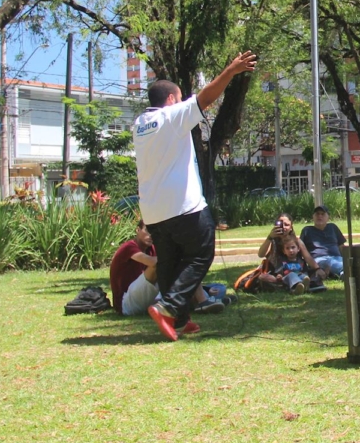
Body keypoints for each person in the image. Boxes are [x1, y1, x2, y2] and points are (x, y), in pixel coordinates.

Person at [133, 50, 257, 341]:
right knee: (201, 254)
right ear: (172, 99)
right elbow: (205, 98)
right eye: (179, 97)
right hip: (183, 206)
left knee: (170, 262)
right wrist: (231, 69)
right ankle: (168, 307)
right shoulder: (172, 116)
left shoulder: (139, 124)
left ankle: (178, 319)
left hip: (153, 211)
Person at [110, 220, 223, 316]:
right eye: (147, 230)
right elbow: (153, 263)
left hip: (146, 295)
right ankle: (204, 300)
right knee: (163, 264)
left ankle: (204, 298)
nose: (151, 235)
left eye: (154, 232)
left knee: (219, 287)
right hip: (126, 303)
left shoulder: (151, 248)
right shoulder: (129, 247)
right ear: (137, 230)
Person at [259, 234, 325, 294]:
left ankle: (303, 286)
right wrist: (279, 276)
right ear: (284, 251)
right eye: (287, 248)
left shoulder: (301, 261)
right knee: (292, 274)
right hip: (286, 279)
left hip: (300, 276)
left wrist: (306, 276)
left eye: (293, 247)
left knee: (304, 276)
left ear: (298, 249)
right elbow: (279, 273)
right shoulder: (282, 261)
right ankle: (297, 287)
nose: (291, 250)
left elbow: (304, 271)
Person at [300, 206, 347, 279]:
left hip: (337, 258)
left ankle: (342, 274)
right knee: (337, 264)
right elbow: (302, 249)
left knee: (344, 263)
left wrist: (345, 258)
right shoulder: (307, 230)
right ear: (313, 217)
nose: (320, 216)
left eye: (322, 214)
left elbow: (341, 246)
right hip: (318, 259)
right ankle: (344, 272)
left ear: (328, 217)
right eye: (317, 214)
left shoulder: (333, 227)